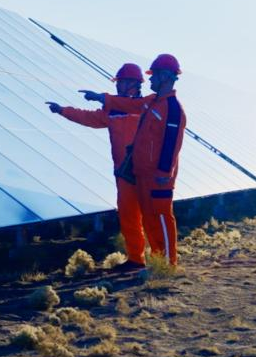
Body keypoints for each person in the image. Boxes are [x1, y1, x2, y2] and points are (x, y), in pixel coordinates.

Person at [46, 63, 148, 272]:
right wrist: (63, 110)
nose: (118, 86)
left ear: (135, 84)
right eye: (118, 83)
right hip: (123, 173)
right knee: (129, 216)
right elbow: (89, 117)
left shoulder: (146, 106)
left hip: (146, 171)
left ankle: (162, 262)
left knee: (153, 216)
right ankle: (136, 260)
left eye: (122, 82)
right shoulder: (112, 110)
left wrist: (102, 97)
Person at [94, 53, 186, 267]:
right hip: (143, 173)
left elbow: (172, 143)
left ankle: (167, 266)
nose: (150, 79)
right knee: (150, 220)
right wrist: (103, 98)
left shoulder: (172, 108)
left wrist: (164, 172)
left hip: (158, 176)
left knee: (161, 219)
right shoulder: (151, 103)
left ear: (165, 76)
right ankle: (152, 262)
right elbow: (128, 105)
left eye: (154, 75)